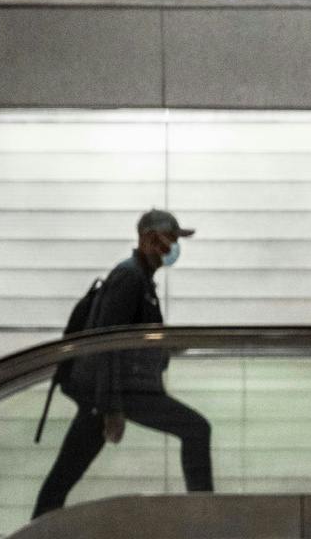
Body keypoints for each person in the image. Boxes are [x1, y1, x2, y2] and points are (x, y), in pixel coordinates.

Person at [33, 208, 214, 518]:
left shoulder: (141, 280)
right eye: (168, 239)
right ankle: (205, 517)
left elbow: (137, 340)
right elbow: (107, 345)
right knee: (196, 429)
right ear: (147, 239)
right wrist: (112, 408)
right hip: (121, 393)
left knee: (65, 473)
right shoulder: (129, 277)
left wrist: (169, 346)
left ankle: (36, 533)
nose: (173, 247)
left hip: (117, 392)